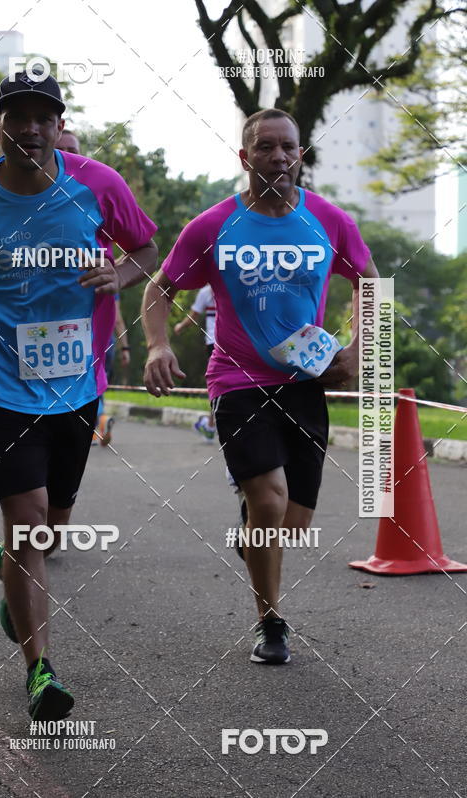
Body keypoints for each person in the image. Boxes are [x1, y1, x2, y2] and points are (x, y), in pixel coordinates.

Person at [0, 70, 157, 720]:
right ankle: (40, 672)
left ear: (59, 125)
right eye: (17, 115)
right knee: (26, 527)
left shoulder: (98, 184)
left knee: (52, 528)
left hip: (78, 384)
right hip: (3, 386)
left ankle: (17, 574)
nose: (30, 127)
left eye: (43, 116)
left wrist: (118, 273)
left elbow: (146, 247)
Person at [142, 108, 379, 666]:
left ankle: (254, 525)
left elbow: (368, 283)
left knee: (292, 523)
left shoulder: (329, 220)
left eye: (288, 147)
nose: (278, 157)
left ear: (301, 154)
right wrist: (158, 345)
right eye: (266, 147)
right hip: (238, 380)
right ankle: (270, 622)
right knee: (269, 498)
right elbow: (161, 288)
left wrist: (358, 351)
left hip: (306, 381)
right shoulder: (212, 226)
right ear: (244, 158)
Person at [174, 283, 216, 441]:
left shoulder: (205, 292)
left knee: (216, 384)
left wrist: (180, 326)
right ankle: (210, 424)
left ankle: (210, 427)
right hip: (233, 341)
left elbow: (193, 316)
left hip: (213, 343)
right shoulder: (229, 285)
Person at [94, 296, 130, 446]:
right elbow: (117, 319)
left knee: (88, 388)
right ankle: (98, 427)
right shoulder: (108, 280)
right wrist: (125, 348)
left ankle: (99, 422)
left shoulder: (77, 277)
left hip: (87, 343)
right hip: (107, 344)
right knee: (99, 386)